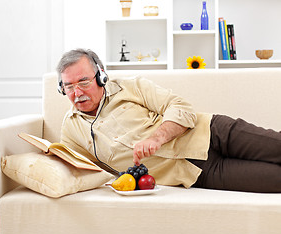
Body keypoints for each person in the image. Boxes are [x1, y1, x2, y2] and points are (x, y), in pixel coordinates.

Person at [57, 48, 281, 193]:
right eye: (69, 86)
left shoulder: (131, 87)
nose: (77, 92)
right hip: (197, 173)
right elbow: (79, 169)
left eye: (84, 82)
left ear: (101, 76)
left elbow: (182, 108)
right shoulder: (71, 129)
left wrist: (157, 138)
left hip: (214, 133)